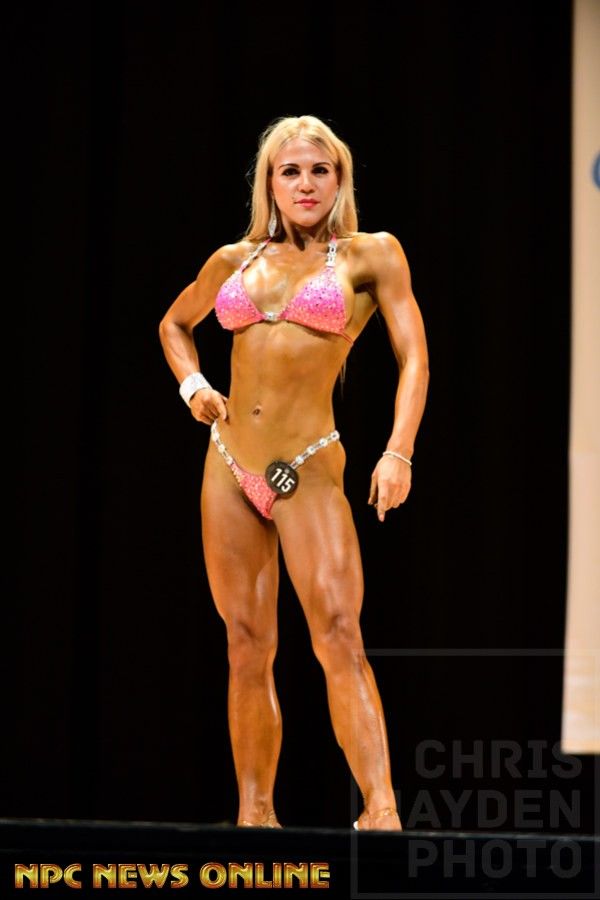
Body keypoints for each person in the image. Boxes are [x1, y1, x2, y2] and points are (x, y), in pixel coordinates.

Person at [158, 114, 429, 831]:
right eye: (290, 171)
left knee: (338, 633)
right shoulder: (234, 260)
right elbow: (174, 325)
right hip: (228, 463)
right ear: (269, 185)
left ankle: (381, 811)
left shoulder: (371, 255)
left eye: (319, 170)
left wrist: (398, 450)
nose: (305, 184)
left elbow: (415, 359)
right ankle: (255, 816)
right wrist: (194, 387)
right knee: (246, 646)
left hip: (305, 465)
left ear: (339, 180)